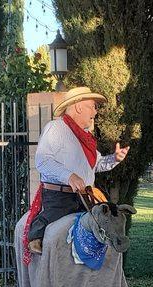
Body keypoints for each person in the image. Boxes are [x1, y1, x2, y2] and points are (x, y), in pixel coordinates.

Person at [26, 86, 130, 256]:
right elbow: (43, 161)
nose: (95, 112)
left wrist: (114, 159)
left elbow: (96, 164)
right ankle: (35, 237)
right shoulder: (56, 128)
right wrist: (69, 176)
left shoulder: (85, 137)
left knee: (105, 223)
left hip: (86, 197)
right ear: (79, 106)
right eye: (92, 107)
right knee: (52, 217)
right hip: (60, 197)